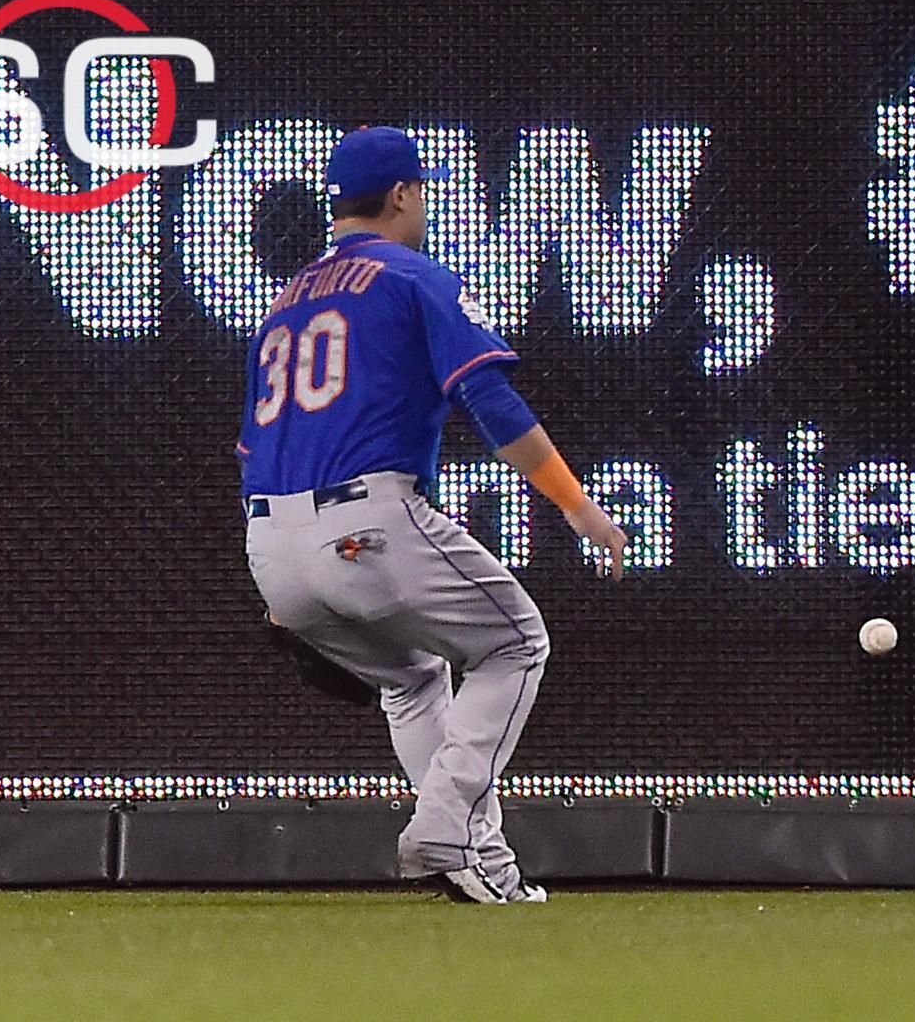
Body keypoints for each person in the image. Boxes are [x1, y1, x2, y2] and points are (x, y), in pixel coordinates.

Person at [236, 126, 628, 904]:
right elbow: (488, 396)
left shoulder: (281, 305)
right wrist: (578, 507)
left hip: (269, 544)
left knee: (412, 680)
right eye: (425, 190)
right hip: (366, 521)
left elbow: (254, 449)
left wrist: (286, 583)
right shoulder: (413, 275)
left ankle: (480, 864)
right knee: (517, 642)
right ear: (404, 195)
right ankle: (442, 822)